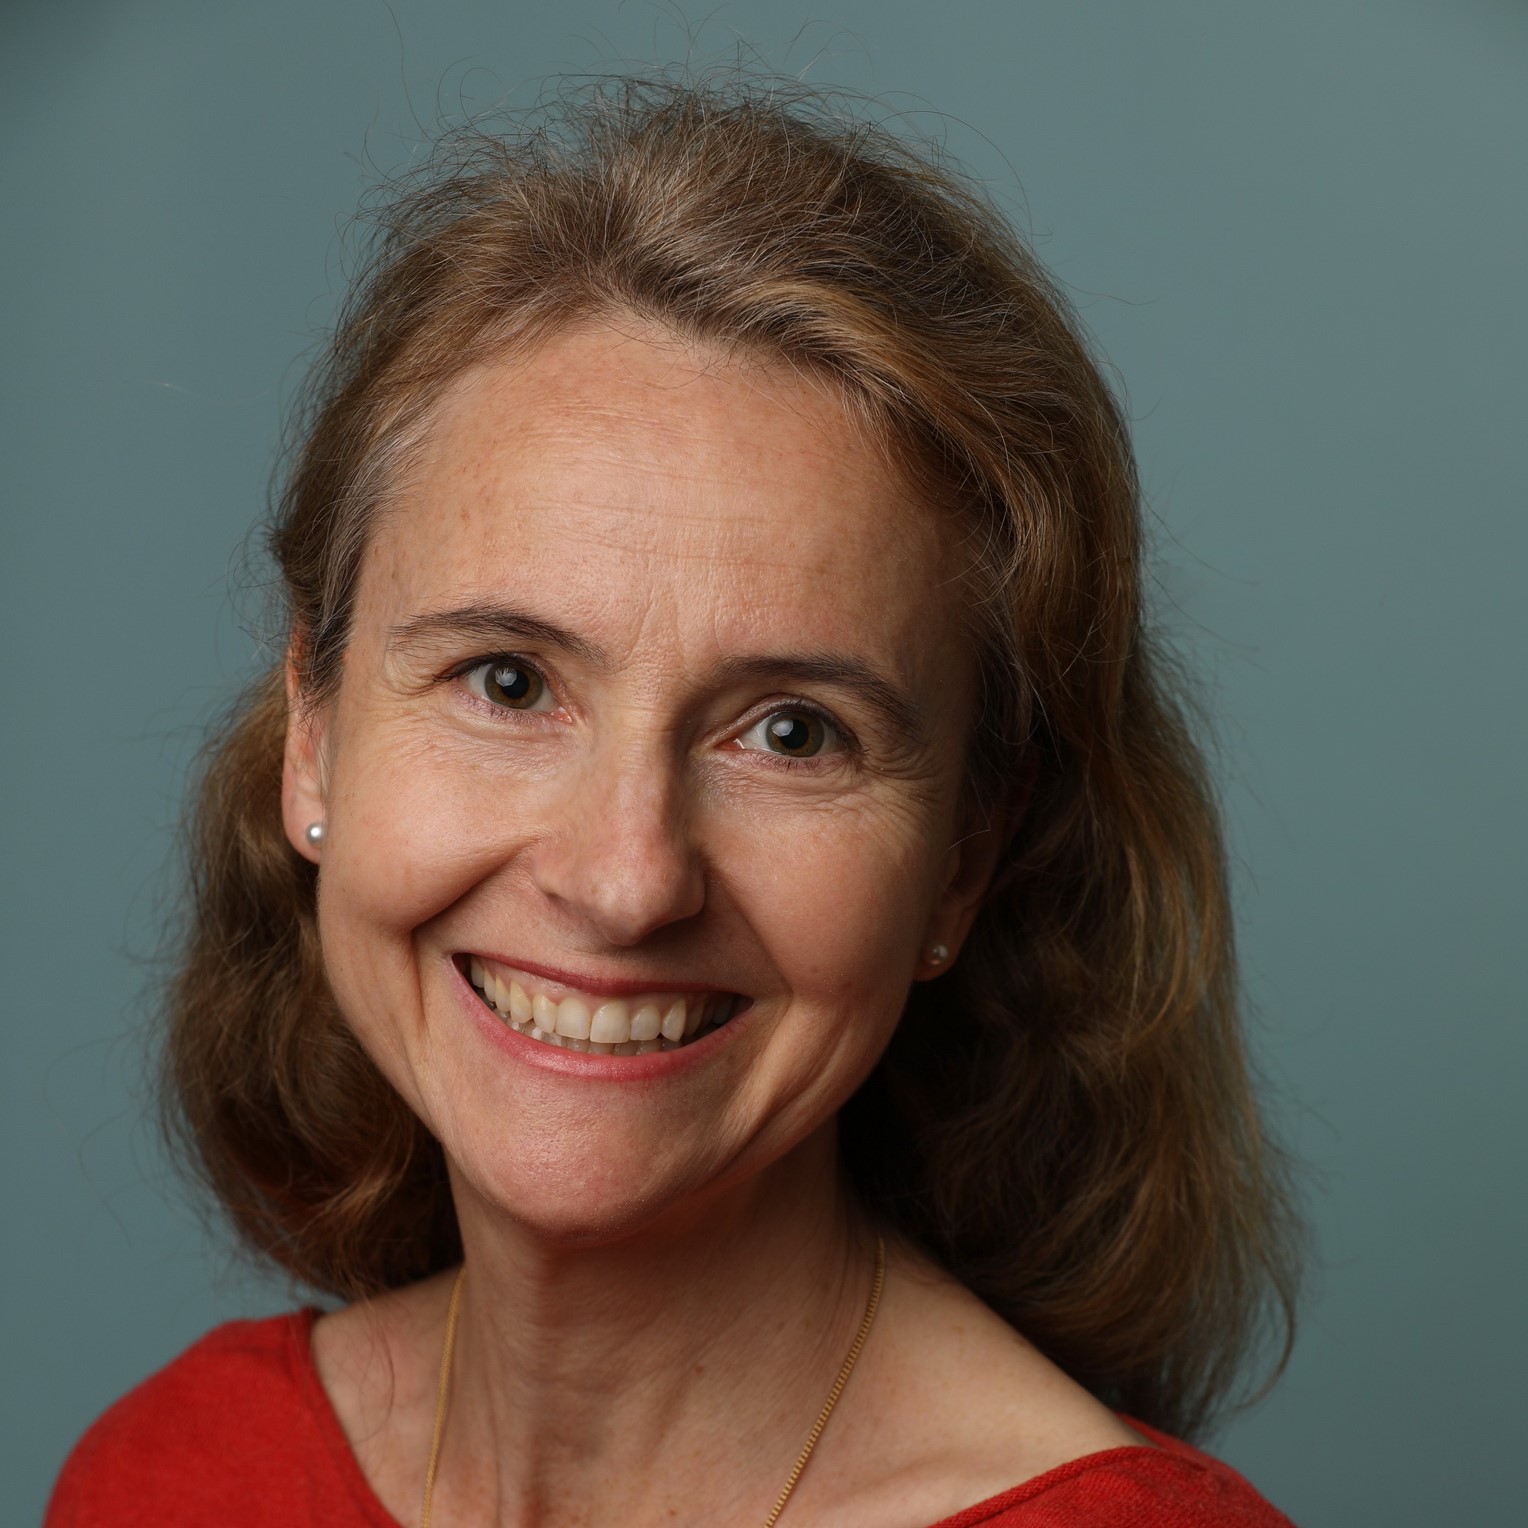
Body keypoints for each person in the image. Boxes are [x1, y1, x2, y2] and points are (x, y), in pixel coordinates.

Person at [46, 77, 1302, 1527]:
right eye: (508, 682)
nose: (626, 878)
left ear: (967, 854)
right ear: (314, 736)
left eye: (793, 733)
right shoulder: (171, 1477)